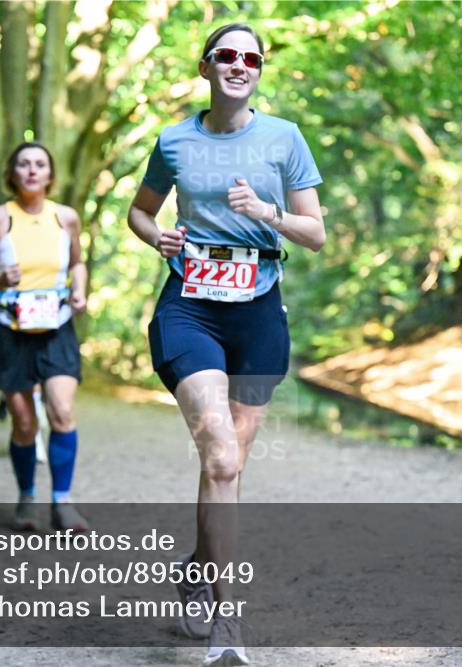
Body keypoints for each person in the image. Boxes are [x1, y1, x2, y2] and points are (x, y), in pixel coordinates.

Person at [127, 23, 325, 666]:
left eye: (252, 58)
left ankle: (196, 570)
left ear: (260, 70)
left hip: (258, 313)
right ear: (206, 66)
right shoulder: (175, 140)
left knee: (229, 466)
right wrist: (155, 236)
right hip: (190, 309)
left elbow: (316, 233)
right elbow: (140, 210)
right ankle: (226, 617)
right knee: (218, 456)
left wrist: (269, 214)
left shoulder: (285, 138)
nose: (240, 65)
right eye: (227, 56)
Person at [0, 141, 89, 533]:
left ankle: (63, 504)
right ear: (13, 173)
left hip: (57, 328)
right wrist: (0, 279)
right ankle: (27, 496)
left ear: (51, 175)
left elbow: (77, 263)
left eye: (40, 164)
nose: (32, 170)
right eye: (24, 164)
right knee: (24, 424)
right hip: (11, 330)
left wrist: (80, 291)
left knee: (62, 412)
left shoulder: (66, 218)